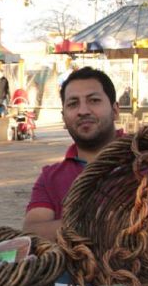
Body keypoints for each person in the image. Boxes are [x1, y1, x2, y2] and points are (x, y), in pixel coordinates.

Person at [22, 66, 121, 241]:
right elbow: (32, 232)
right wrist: (100, 224)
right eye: (73, 104)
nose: (83, 111)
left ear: (115, 110)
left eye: (94, 100)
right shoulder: (50, 177)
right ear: (64, 117)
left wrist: (66, 228)